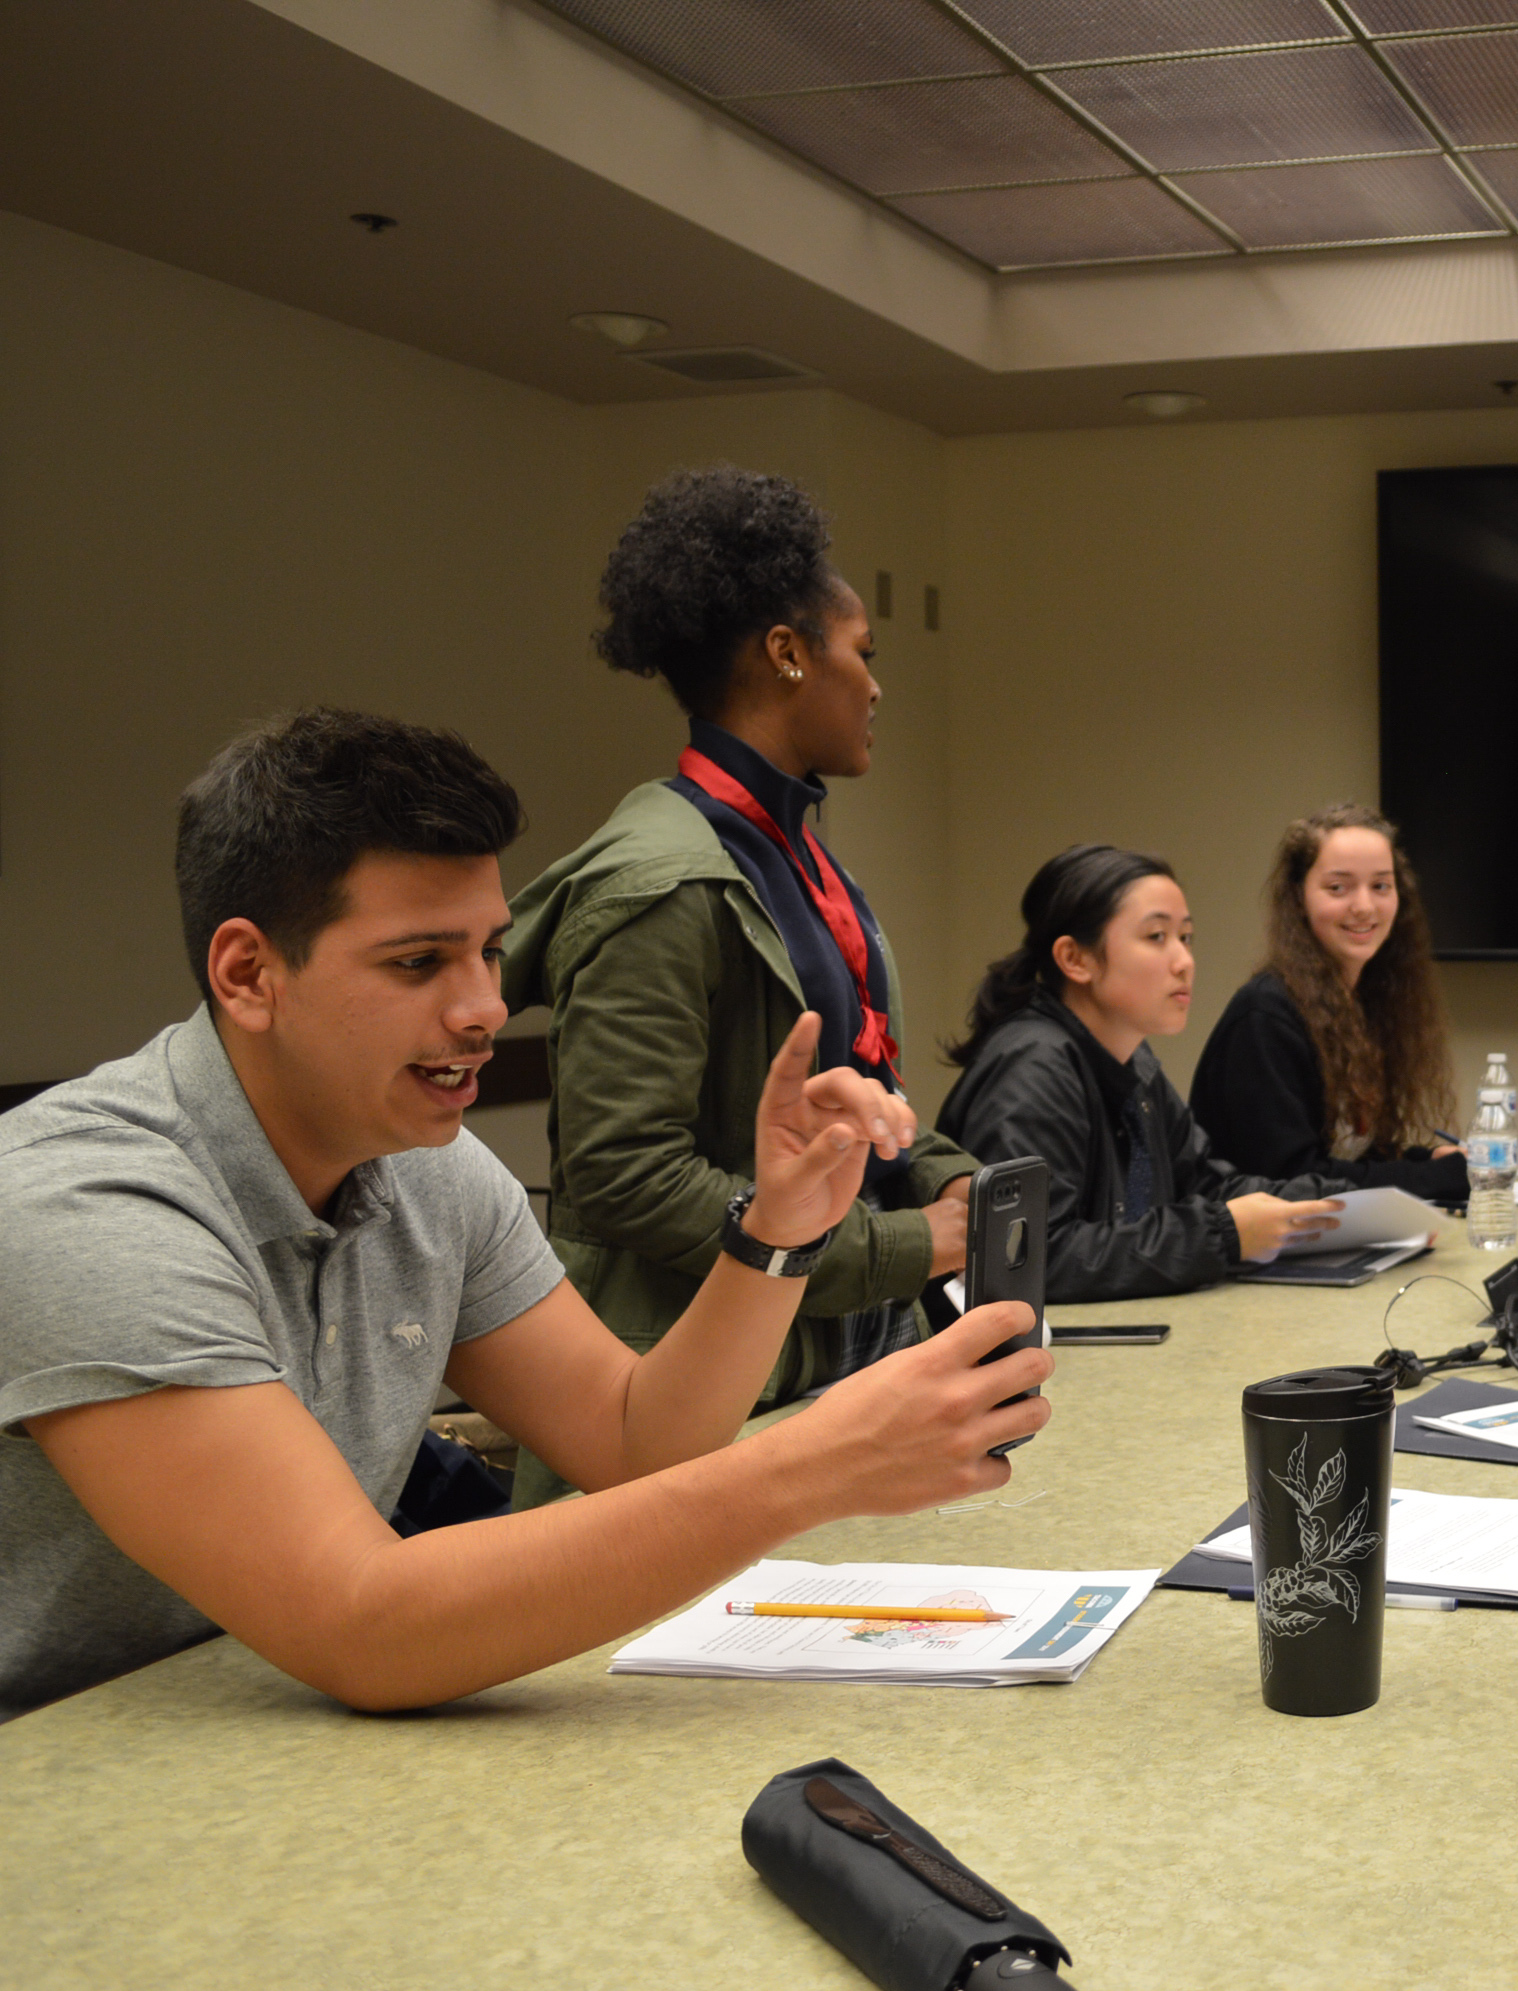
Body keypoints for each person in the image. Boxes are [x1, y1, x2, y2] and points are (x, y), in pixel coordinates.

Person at [0, 710, 1050, 1722]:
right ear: (248, 972)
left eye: (489, 950)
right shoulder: (89, 1203)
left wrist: (778, 1229)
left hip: (250, 1733)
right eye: (419, 961)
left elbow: (637, 1440)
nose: (486, 1008)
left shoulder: (430, 1169)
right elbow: (359, 1622)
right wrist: (813, 1465)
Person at [501, 467, 976, 1504]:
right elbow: (624, 1171)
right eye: (864, 654)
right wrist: (897, 1245)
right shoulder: (662, 876)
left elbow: (851, 1079)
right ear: (787, 652)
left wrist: (942, 1170)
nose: (878, 685)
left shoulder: (792, 851)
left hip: (827, 1356)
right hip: (691, 1400)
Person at [936, 845, 1344, 1300]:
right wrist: (1224, 1235)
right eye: (1156, 937)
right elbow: (1030, 1257)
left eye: (1185, 938)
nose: (1184, 961)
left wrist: (1341, 1205)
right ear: (1076, 959)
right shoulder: (1032, 1067)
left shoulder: (1133, 1060)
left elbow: (1207, 1183)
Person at [1189, 805, 1465, 1200]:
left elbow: (1344, 1158)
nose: (1364, 906)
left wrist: (1424, 1161)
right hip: (1259, 1256)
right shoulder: (1266, 1016)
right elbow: (1293, 1180)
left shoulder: (1368, 1002)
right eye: (1338, 888)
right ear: (1299, 897)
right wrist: (1438, 1179)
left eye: (1381, 886)